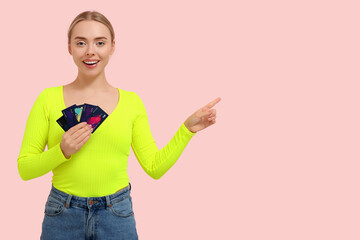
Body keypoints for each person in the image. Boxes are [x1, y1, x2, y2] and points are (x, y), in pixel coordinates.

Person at [17, 10, 221, 240]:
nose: (90, 51)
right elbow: (25, 169)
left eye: (100, 42)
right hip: (62, 213)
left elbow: (154, 167)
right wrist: (61, 151)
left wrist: (187, 130)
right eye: (81, 42)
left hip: (116, 214)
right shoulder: (47, 99)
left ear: (113, 47)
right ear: (69, 47)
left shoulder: (132, 103)